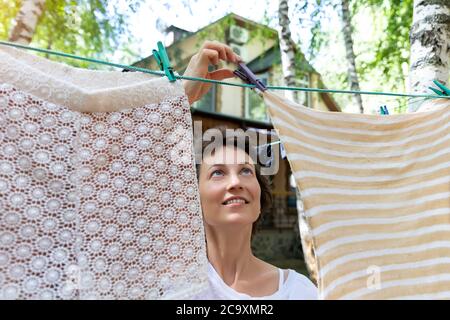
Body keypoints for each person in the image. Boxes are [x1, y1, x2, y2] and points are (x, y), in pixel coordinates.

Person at [182, 41, 318, 299]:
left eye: (246, 171)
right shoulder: (169, 288)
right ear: (193, 197)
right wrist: (181, 96)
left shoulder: (300, 292)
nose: (236, 182)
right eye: (218, 173)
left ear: (259, 197)